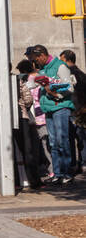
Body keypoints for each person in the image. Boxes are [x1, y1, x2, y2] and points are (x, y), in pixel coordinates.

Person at [28, 45, 75, 184]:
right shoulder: (43, 69)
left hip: (60, 107)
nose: (36, 62)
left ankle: (67, 172)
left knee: (62, 140)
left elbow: (69, 86)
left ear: (42, 55)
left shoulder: (60, 66)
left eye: (37, 59)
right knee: (53, 143)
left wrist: (53, 89)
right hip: (48, 109)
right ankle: (58, 173)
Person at [14, 59, 44, 189]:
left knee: (13, 151)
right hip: (22, 117)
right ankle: (33, 181)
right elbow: (27, 99)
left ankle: (15, 181)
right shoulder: (17, 81)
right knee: (28, 150)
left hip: (3, 120)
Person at [60, 51, 86, 173]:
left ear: (66, 60)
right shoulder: (82, 74)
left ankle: (73, 164)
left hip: (73, 109)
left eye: (62, 60)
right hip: (81, 109)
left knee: (71, 138)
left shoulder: (69, 74)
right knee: (81, 139)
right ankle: (83, 163)